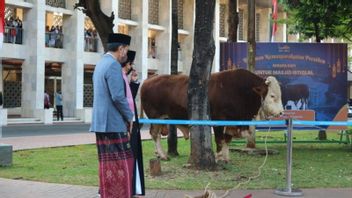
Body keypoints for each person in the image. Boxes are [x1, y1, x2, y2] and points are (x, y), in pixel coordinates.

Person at [90, 33, 134, 198]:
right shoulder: (114, 66)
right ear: (121, 49)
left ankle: (106, 194)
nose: (126, 54)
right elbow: (117, 96)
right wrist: (130, 116)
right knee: (123, 165)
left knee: (107, 165)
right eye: (126, 50)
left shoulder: (101, 63)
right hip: (113, 123)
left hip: (101, 123)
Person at [121, 51, 145, 196]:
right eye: (131, 64)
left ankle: (132, 187)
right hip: (126, 123)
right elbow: (120, 100)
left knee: (133, 154)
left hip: (130, 122)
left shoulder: (124, 77)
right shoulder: (118, 76)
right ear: (127, 64)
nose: (132, 67)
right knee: (126, 155)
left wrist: (134, 82)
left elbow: (128, 98)